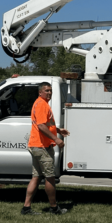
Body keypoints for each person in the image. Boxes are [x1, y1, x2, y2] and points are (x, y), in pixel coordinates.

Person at [21, 82, 70, 215]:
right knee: (50, 178)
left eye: (50, 91)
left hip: (36, 145)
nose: (49, 93)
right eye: (46, 90)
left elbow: (45, 125)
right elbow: (41, 126)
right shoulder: (42, 104)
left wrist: (58, 130)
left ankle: (26, 208)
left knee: (36, 177)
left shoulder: (40, 103)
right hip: (42, 147)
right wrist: (56, 139)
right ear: (40, 92)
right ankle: (54, 208)